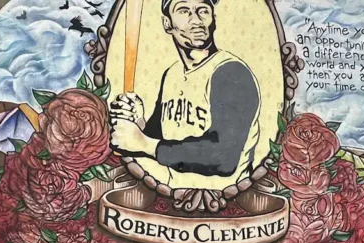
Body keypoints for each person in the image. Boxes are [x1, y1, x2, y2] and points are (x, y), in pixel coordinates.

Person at [109, 0, 262, 197]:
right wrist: (137, 123)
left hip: (226, 202)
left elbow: (224, 157)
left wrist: (142, 143)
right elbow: (159, 141)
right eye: (183, 10)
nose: (196, 20)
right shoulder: (172, 74)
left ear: (213, 18)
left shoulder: (231, 73)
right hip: (175, 200)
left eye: (203, 10)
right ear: (167, 23)